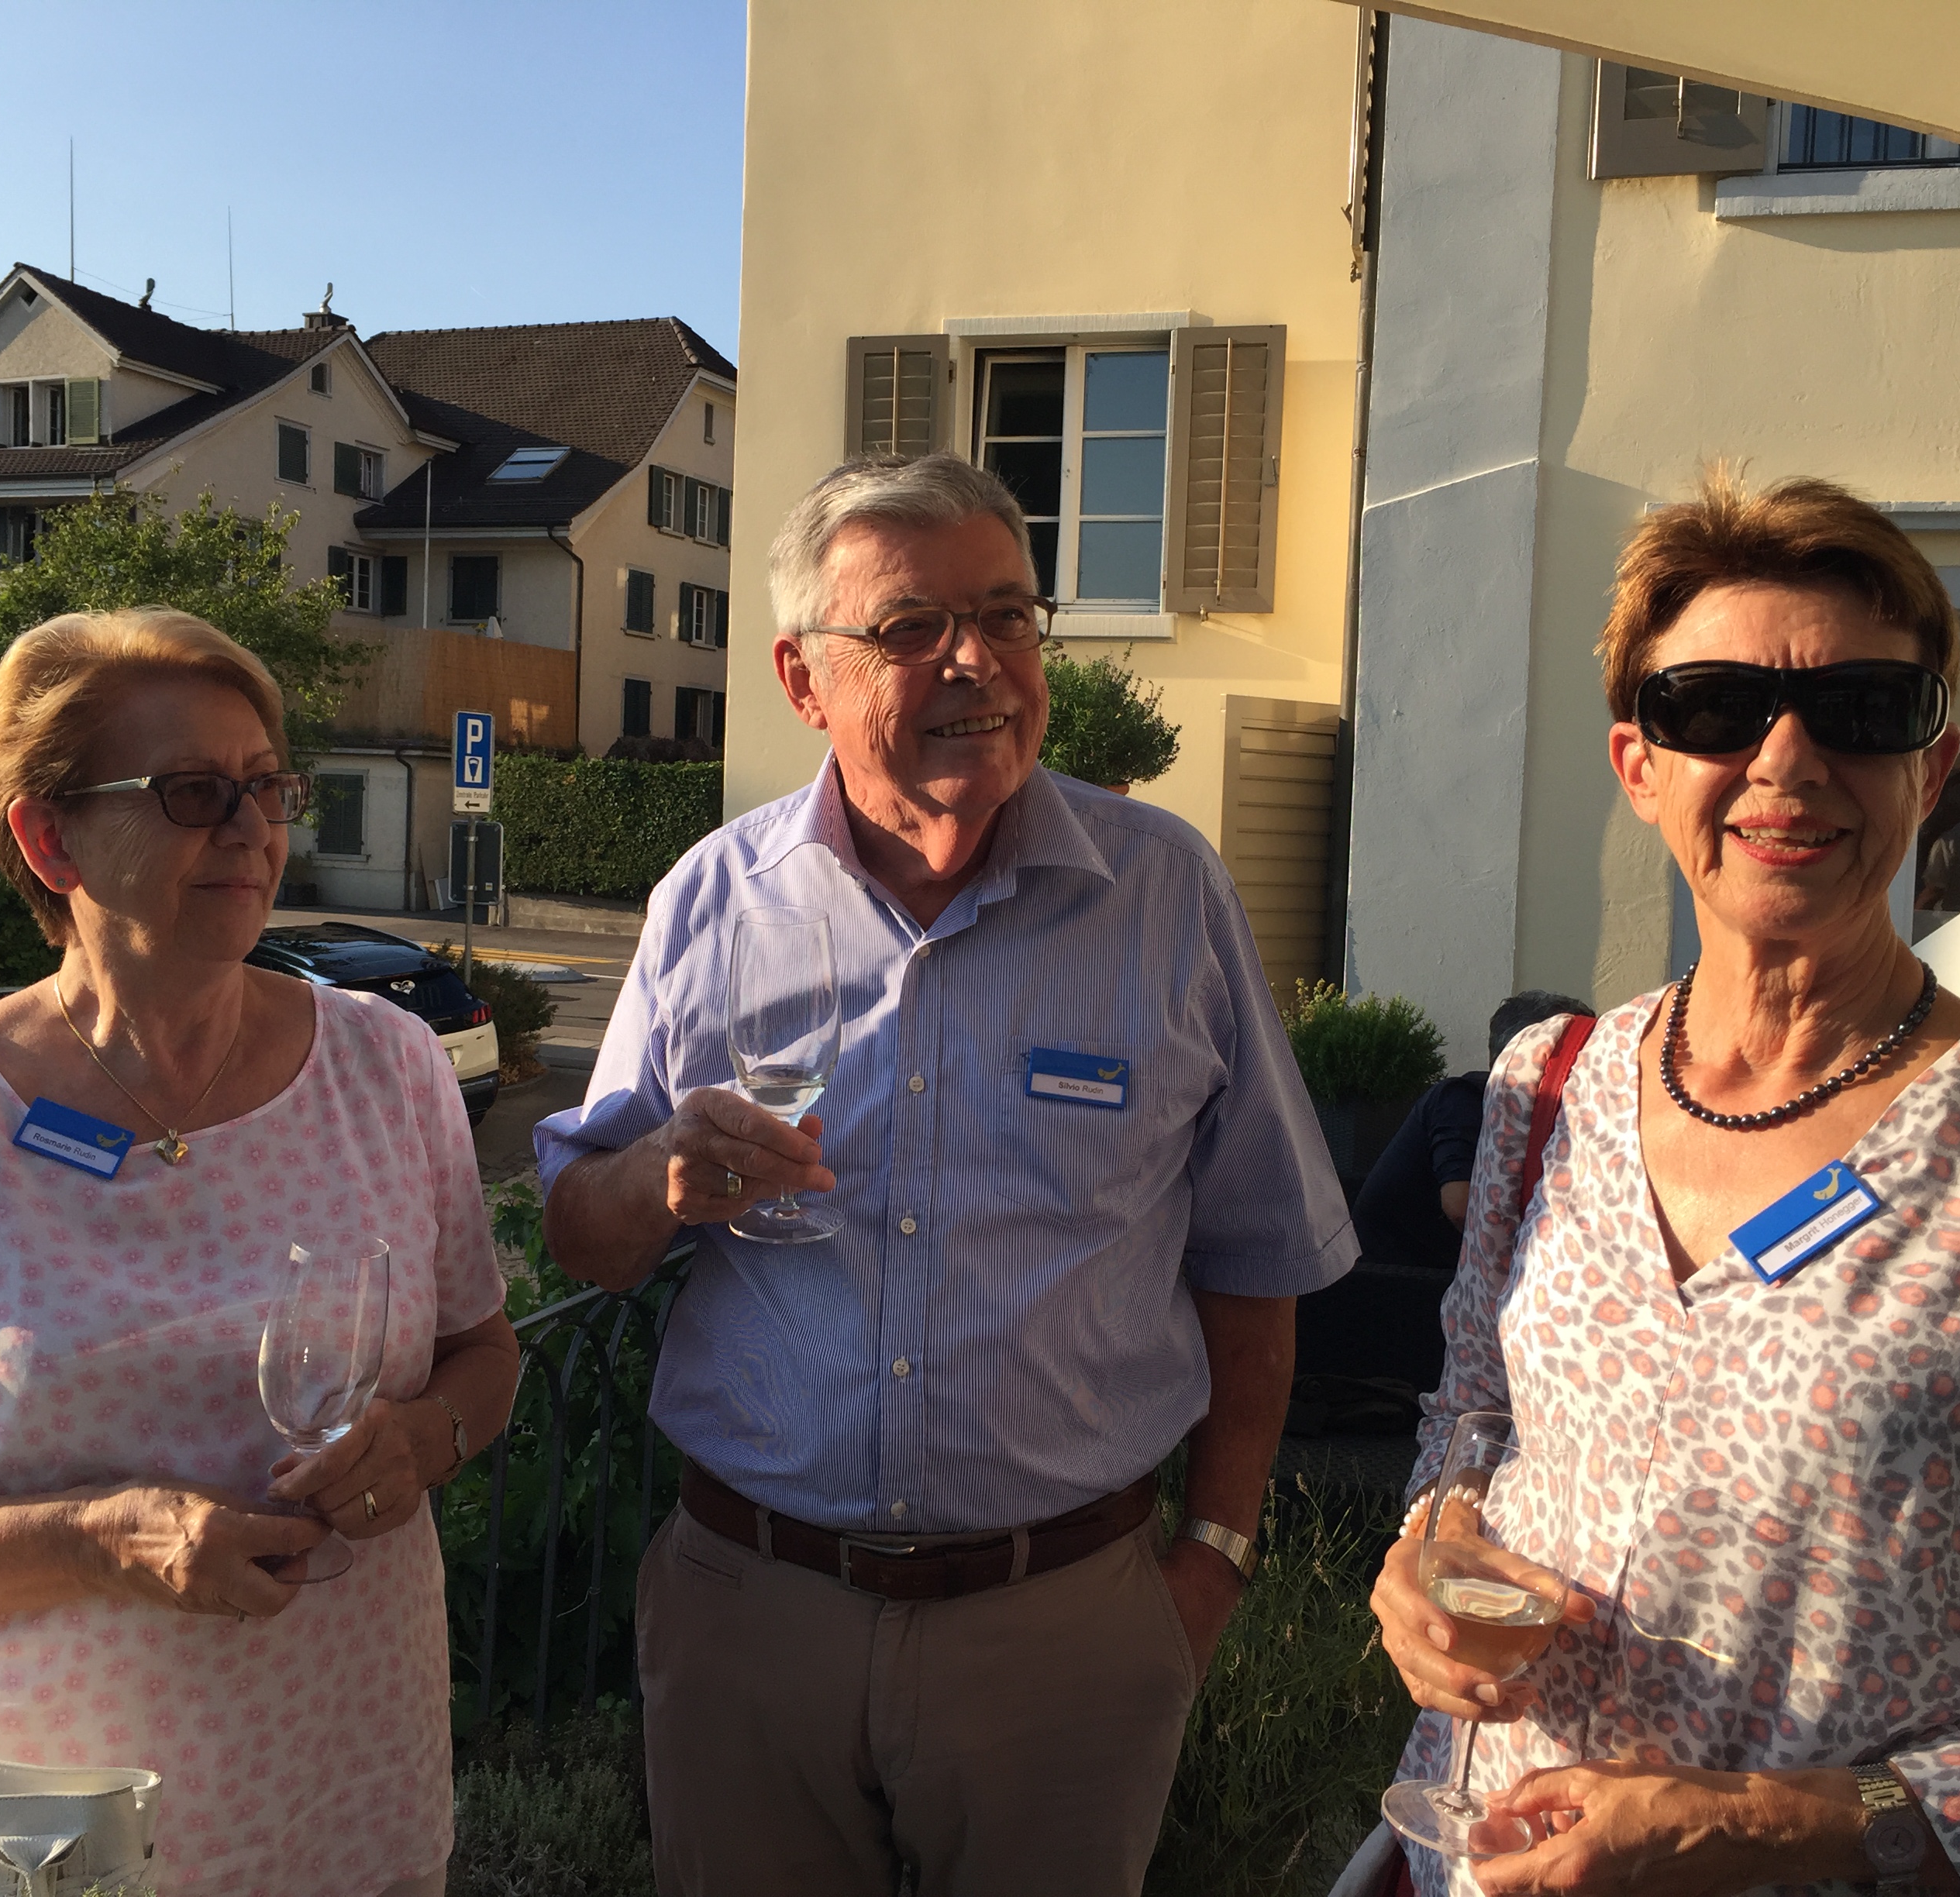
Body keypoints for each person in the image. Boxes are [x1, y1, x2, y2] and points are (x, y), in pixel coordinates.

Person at [1370, 474, 1960, 1896]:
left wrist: (1764, 1821)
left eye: (1859, 709)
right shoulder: (1546, 1089)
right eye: (1714, 707)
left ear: (1930, 766)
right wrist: (1428, 1551)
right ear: (1638, 765)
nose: (1785, 757)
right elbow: (1471, 1418)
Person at [536, 454, 1356, 1897]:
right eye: (912, 627)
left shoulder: (1166, 895)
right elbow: (581, 1235)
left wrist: (1213, 1559)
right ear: (802, 678)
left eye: (1006, 616)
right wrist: (660, 1170)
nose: (975, 660)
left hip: (1064, 1624)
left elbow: (1258, 1254)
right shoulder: (710, 904)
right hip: (752, 1618)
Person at [0, 609, 522, 1897]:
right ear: (50, 837)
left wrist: (425, 1439)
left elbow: (482, 1351)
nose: (252, 827)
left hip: (344, 1796)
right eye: (195, 791)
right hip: (36, 1836)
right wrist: (97, 1538)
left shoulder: (389, 1065)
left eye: (266, 784)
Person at [1297, 993, 1597, 1397]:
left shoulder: (1545, 1118)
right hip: (1399, 1293)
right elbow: (1461, 1206)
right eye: (1579, 1054)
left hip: (1446, 1286)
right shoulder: (1463, 1100)